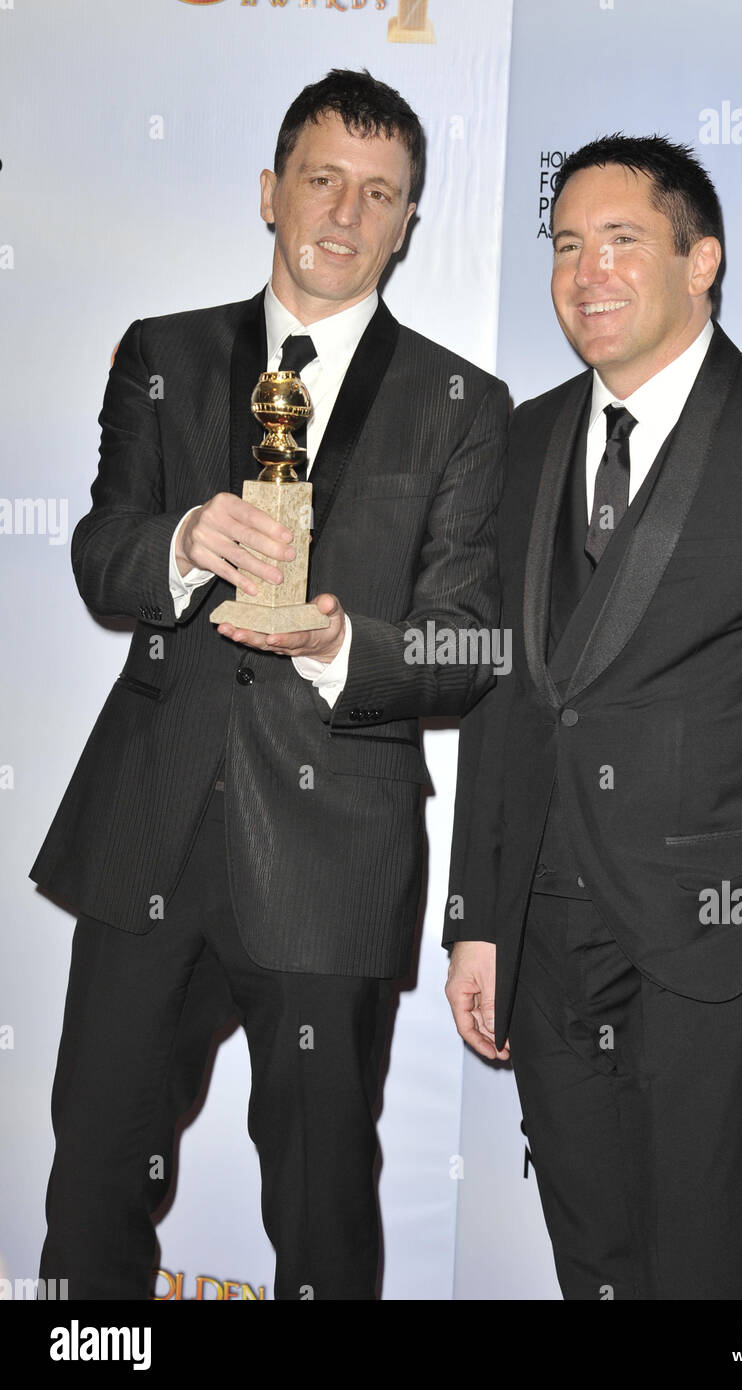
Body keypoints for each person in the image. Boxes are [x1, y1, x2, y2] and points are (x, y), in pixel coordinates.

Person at [31, 68, 508, 1301]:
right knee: (91, 1181)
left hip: (332, 852)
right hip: (151, 828)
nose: (345, 215)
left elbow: (467, 640)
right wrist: (183, 542)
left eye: (380, 194)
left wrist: (345, 640)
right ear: (268, 190)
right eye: (321, 180)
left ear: (409, 223)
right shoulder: (164, 354)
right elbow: (99, 554)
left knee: (320, 1203)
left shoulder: (464, 405)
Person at [444, 134, 742, 1301]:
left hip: (720, 932)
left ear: (701, 261)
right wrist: (477, 912)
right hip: (547, 936)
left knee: (699, 1265)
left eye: (620, 241)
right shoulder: (522, 436)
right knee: (592, 1262)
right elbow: (509, 694)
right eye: (564, 245)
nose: (585, 273)